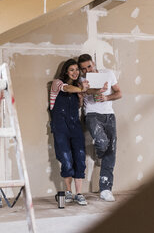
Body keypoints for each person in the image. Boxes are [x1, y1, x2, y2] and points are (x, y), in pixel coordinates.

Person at [78, 54, 122, 202]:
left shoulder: (108, 74)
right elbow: (86, 92)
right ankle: (100, 151)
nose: (86, 70)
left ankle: (105, 189)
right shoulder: (81, 79)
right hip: (92, 115)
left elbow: (119, 93)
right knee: (103, 143)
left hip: (109, 115)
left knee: (112, 151)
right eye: (83, 68)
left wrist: (106, 97)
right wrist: (96, 91)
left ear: (94, 63)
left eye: (89, 66)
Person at [49, 58, 89, 206]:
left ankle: (79, 193)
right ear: (66, 71)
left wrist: (80, 97)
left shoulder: (77, 88)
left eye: (77, 70)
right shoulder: (57, 83)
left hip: (75, 126)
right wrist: (82, 89)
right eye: (71, 70)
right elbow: (67, 89)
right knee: (66, 158)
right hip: (60, 127)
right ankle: (68, 192)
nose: (75, 72)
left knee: (80, 158)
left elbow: (78, 106)